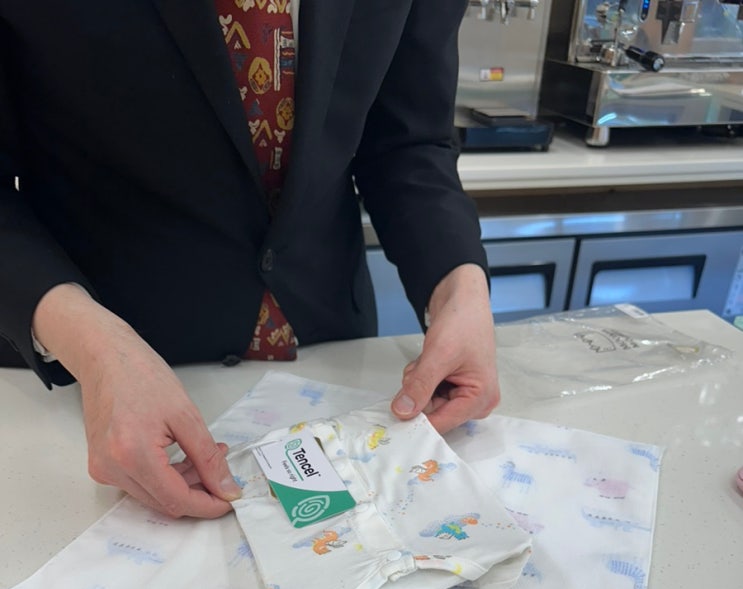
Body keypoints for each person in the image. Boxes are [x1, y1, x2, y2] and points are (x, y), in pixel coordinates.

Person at [0, 2, 498, 519]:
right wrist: (94, 349)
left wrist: (459, 289)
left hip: (333, 352)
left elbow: (408, 141)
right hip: (86, 375)